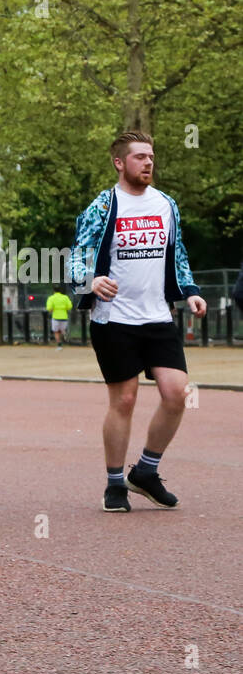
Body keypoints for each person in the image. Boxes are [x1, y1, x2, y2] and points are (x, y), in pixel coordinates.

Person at [69, 130, 206, 512]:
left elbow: (177, 254)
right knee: (124, 399)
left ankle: (145, 471)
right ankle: (115, 484)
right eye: (140, 157)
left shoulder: (165, 204)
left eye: (151, 157)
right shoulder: (102, 206)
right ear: (119, 162)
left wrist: (190, 290)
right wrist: (90, 280)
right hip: (114, 320)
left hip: (158, 315)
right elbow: (76, 256)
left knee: (176, 393)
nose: (148, 163)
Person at [46, 284, 73, 349]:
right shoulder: (65, 297)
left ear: (53, 290)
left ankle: (59, 343)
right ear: (60, 290)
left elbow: (49, 308)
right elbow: (69, 307)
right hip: (64, 316)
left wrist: (53, 310)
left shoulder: (51, 298)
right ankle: (63, 335)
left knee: (56, 331)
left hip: (55, 316)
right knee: (61, 330)